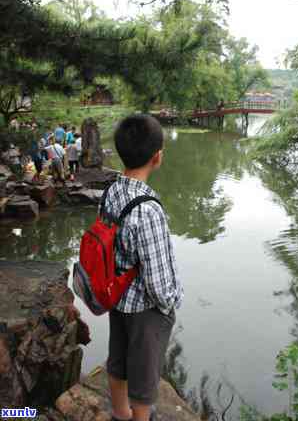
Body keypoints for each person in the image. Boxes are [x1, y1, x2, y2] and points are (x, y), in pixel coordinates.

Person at [103, 114, 183, 421]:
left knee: (118, 362)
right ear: (157, 156)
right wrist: (170, 305)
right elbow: (159, 279)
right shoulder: (148, 209)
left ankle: (119, 415)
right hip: (144, 310)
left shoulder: (112, 190)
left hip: (116, 296)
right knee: (145, 380)